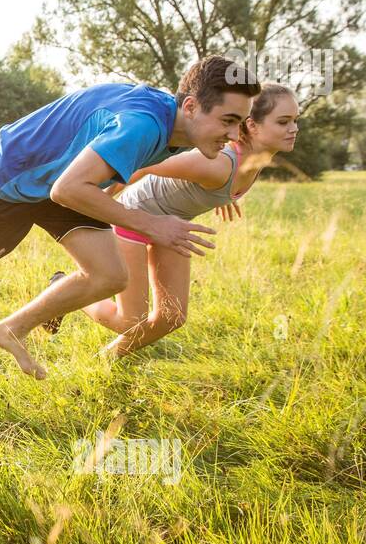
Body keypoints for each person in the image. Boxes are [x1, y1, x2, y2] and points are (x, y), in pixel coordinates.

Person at [0, 55, 260, 379]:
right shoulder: (145, 125)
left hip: (62, 181)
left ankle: (11, 329)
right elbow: (69, 190)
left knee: (110, 275)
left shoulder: (172, 126)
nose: (232, 135)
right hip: (8, 176)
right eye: (227, 120)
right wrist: (153, 224)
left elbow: (95, 174)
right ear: (191, 106)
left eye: (239, 124)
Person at [81, 84, 299, 357]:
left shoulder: (250, 163)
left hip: (172, 225)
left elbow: (217, 183)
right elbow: (141, 163)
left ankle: (108, 358)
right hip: (134, 218)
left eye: (295, 121)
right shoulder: (216, 165)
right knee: (129, 320)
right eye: (284, 121)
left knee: (171, 317)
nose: (294, 129)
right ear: (252, 126)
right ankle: (65, 288)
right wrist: (102, 200)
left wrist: (225, 196)